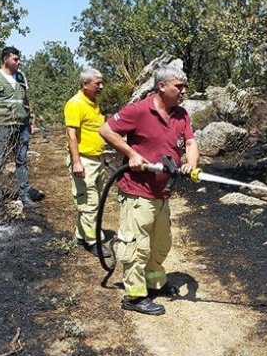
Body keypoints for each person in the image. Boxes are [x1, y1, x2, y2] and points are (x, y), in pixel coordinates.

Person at [99, 59, 200, 316]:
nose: (184, 91)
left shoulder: (181, 114)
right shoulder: (138, 111)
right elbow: (106, 130)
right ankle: (134, 296)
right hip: (137, 192)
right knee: (137, 245)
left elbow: (190, 143)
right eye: (180, 86)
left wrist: (191, 162)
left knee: (161, 243)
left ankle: (154, 282)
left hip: (163, 192)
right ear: (162, 86)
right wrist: (131, 154)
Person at [0, 46, 40, 208]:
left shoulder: (21, 77)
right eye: (15, 59)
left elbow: (26, 101)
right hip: (2, 125)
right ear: (6, 59)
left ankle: (24, 196)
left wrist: (30, 121)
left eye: (18, 59)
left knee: (21, 160)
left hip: (21, 126)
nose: (19, 62)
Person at [64, 67, 109, 256]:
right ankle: (94, 241)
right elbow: (71, 134)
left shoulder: (93, 102)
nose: (101, 86)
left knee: (93, 200)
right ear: (84, 85)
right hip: (83, 160)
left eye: (101, 82)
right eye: (97, 83)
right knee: (90, 203)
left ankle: (81, 236)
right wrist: (76, 162)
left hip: (97, 159)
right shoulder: (75, 104)